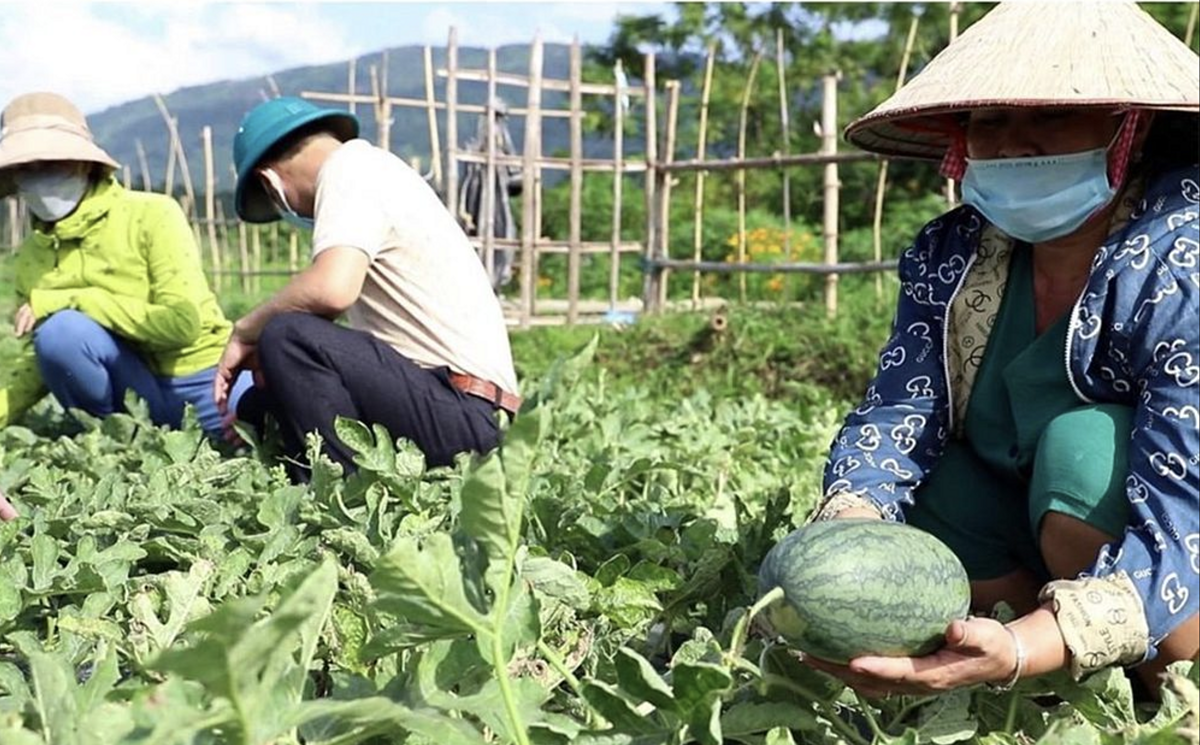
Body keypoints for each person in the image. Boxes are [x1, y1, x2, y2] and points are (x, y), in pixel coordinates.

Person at [805, 1, 1199, 697]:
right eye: (990, 120)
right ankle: (1034, 672)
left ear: (1129, 127)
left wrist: (1024, 647)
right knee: (938, 483)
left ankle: (1163, 679)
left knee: (1083, 450)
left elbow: (1184, 507)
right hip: (1027, 543)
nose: (1016, 143)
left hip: (1177, 551)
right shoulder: (952, 252)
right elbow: (901, 409)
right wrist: (851, 522)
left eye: (1051, 115)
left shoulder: (1181, 263)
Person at [216, 97, 520, 483]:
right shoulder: (374, 172)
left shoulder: (349, 169)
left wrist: (246, 331)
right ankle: (300, 476)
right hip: (453, 405)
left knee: (288, 335)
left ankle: (339, 497)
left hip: (467, 413)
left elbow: (331, 290)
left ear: (270, 182)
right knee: (259, 404)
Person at [0, 92, 251, 438]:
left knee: (269, 427)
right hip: (130, 389)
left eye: (52, 163)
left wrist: (77, 299)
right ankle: (115, 437)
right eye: (25, 169)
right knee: (60, 333)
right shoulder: (33, 254)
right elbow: (47, 353)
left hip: (203, 379)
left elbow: (182, 324)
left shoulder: (152, 214)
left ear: (85, 164)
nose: (39, 177)